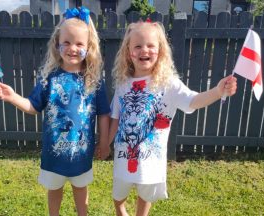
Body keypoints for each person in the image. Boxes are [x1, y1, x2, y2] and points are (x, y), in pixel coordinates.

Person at [98, 21, 237, 216]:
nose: (143, 50)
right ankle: (121, 210)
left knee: (145, 193)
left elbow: (193, 101)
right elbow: (115, 117)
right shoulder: (123, 84)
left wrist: (217, 91)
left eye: (150, 45)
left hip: (151, 161)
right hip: (123, 157)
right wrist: (105, 144)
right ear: (128, 52)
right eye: (137, 46)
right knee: (118, 194)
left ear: (160, 51)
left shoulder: (168, 84)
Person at [0, 7, 110, 216]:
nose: (72, 48)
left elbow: (103, 114)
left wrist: (103, 143)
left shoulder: (94, 82)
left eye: (79, 43)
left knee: (81, 189)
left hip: (81, 154)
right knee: (54, 189)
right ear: (57, 44)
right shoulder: (49, 78)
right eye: (66, 42)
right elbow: (33, 107)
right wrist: (13, 97)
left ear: (89, 47)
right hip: (53, 155)